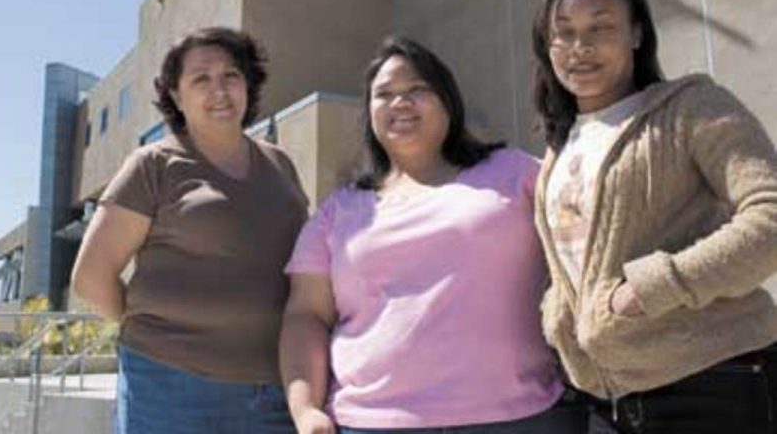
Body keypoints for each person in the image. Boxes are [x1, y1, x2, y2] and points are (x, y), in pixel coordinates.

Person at [281, 38, 585, 434]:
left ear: (448, 100)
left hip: (521, 416)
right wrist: (306, 411)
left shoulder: (517, 174)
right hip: (372, 421)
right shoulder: (336, 212)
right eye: (384, 94)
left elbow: (587, 240)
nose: (400, 102)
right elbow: (307, 315)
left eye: (417, 90)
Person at [530, 0, 777, 433]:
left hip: (712, 379)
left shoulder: (691, 107)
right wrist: (557, 315)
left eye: (600, 28)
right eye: (563, 32)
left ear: (636, 34)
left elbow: (770, 216)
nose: (579, 46)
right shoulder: (560, 149)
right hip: (610, 398)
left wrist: (647, 289)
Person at [71, 27, 308, 433]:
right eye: (201, 79)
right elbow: (91, 277)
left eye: (231, 75)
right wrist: (154, 330)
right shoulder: (153, 165)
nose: (220, 89)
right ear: (177, 96)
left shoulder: (281, 165)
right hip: (171, 388)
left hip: (275, 388)